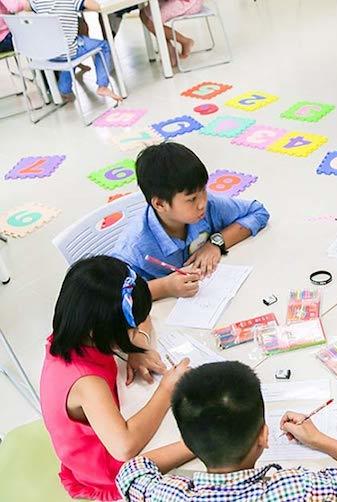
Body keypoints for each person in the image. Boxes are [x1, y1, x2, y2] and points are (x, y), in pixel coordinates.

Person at [116, 361, 337, 501]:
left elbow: (131, 471)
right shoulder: (297, 490)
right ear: (264, 435)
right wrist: (320, 440)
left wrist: (206, 437)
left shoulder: (168, 497)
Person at [40, 255, 194, 501]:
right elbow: (124, 447)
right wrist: (168, 389)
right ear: (102, 329)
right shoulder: (85, 382)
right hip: (107, 470)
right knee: (204, 441)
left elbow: (141, 315)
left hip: (102, 438)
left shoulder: (75, 329)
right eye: (129, 329)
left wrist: (138, 347)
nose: (135, 329)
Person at [111, 142, 269, 300]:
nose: (202, 203)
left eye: (203, 190)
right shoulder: (134, 247)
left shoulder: (209, 206)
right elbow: (111, 295)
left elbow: (258, 212)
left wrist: (216, 243)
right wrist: (165, 287)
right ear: (160, 204)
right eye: (192, 199)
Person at [25, 0, 122, 102]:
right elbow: (97, 6)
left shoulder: (36, 1)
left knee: (69, 53)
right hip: (69, 50)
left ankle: (64, 89)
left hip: (49, 53)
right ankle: (103, 86)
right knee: (103, 46)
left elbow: (25, 7)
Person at [139, 0, 203, 67]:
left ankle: (185, 41)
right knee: (143, 14)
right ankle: (169, 48)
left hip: (187, 3)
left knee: (152, 23)